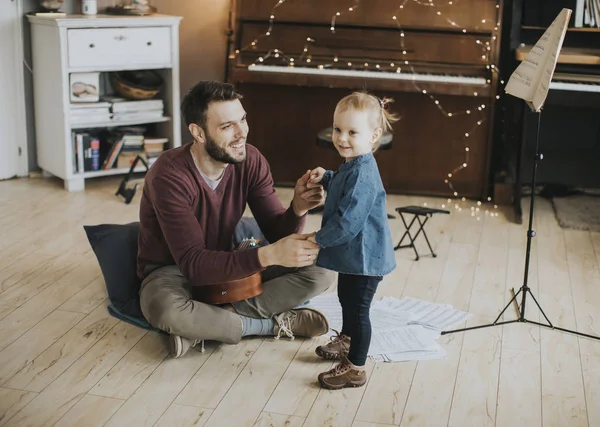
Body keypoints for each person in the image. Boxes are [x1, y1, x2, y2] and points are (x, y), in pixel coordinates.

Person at [136, 81, 335, 358]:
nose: (242, 133)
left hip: (228, 259)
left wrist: (298, 208)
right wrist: (268, 255)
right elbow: (193, 265)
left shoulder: (250, 159)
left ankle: (208, 325)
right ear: (198, 132)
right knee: (166, 309)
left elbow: (276, 232)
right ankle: (268, 325)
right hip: (174, 269)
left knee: (323, 267)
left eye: (242, 119)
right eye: (227, 126)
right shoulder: (168, 176)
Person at [307, 91, 398, 390]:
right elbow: (343, 186)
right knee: (346, 298)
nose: (342, 138)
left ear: (374, 136)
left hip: (366, 257)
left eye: (352, 132)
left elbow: (348, 221)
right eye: (337, 129)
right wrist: (328, 177)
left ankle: (356, 367)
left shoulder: (364, 173)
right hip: (353, 256)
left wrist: (318, 239)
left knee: (359, 310)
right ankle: (346, 340)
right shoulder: (353, 163)